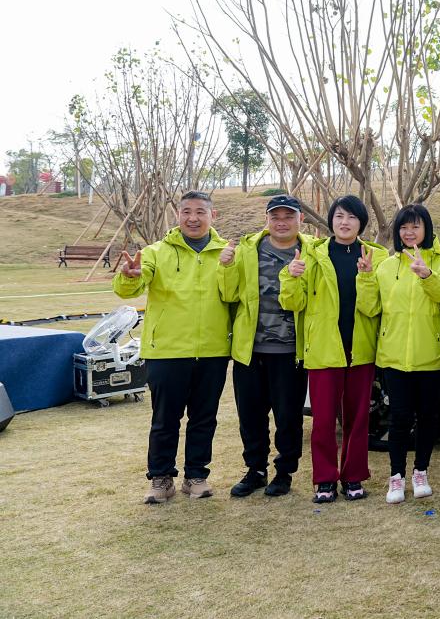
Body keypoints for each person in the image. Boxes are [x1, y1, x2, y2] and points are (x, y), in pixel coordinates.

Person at [114, 190, 232, 504]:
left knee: (204, 418)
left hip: (213, 350)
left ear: (213, 215)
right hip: (166, 350)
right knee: (165, 419)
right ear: (177, 215)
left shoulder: (227, 253)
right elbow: (131, 286)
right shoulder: (156, 252)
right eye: (186, 212)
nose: (193, 218)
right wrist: (129, 276)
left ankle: (196, 476)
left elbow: (236, 293)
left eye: (200, 212)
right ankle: (161, 478)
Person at [279, 194, 387, 503]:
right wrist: (291, 276)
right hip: (324, 347)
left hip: (360, 348)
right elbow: (292, 302)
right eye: (339, 216)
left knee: (358, 418)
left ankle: (353, 477)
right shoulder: (312, 254)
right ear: (331, 220)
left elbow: (373, 308)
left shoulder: (376, 256)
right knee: (324, 420)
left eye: (352, 217)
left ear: (361, 223)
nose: (344, 222)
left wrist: (367, 277)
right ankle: (325, 480)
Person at [356, 204, 440, 504]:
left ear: (426, 229)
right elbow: (370, 308)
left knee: (428, 417)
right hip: (394, 356)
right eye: (404, 227)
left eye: (415, 226)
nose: (409, 232)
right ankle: (396, 476)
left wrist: (427, 275)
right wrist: (366, 277)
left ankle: (421, 471)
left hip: (430, 355)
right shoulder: (386, 267)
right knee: (399, 419)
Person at [220, 193, 312, 499]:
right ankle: (255, 470)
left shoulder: (313, 252)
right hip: (250, 349)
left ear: (301, 219)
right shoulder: (248, 249)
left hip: (291, 351)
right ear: (267, 219)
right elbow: (229, 294)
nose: (281, 223)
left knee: (288, 417)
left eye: (289, 217)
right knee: (251, 416)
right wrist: (226, 266)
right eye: (275, 217)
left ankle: (284, 472)